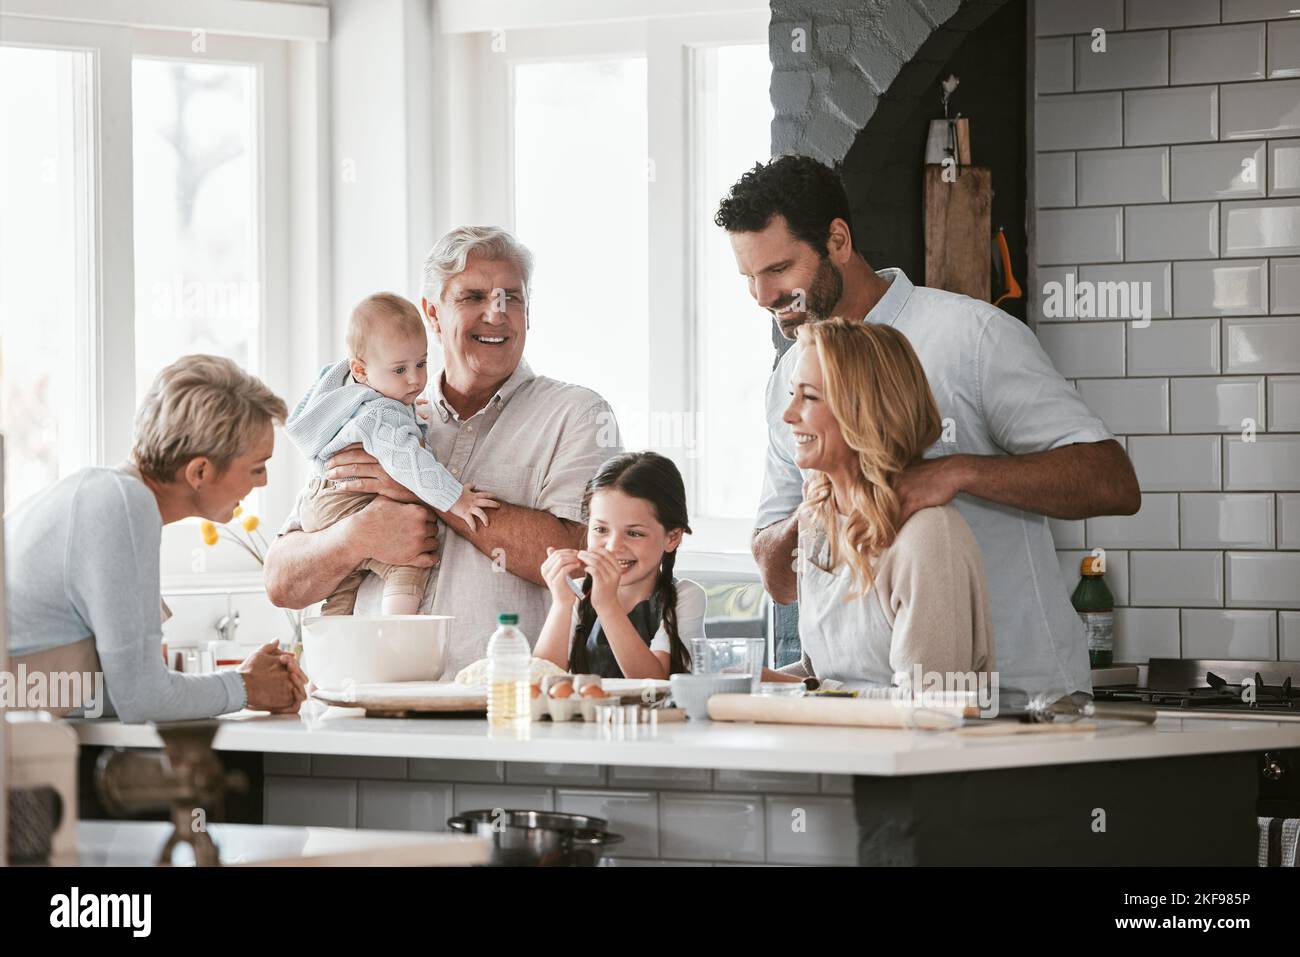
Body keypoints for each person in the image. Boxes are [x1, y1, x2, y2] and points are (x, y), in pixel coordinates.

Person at [715, 155, 1140, 697]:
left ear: (838, 241)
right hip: (875, 712)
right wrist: (831, 496)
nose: (762, 297)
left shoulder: (973, 337)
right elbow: (779, 581)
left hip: (1025, 700)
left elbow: (1113, 482)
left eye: (778, 270)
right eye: (749, 277)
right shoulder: (788, 382)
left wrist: (956, 473)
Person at [264, 227, 621, 675]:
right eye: (473, 297)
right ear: (431, 314)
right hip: (369, 703)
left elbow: (581, 560)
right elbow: (280, 580)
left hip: (506, 709)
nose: (497, 313)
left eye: (512, 297)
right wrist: (358, 535)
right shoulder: (373, 414)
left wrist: (421, 489)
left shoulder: (578, 415)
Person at [5, 355, 308, 722]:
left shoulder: (102, 495)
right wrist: (244, 687)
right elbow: (142, 700)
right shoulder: (124, 504)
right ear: (199, 470)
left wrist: (239, 683)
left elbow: (105, 695)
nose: (263, 482)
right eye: (258, 467)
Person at [777, 319, 993, 691]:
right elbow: (821, 677)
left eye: (809, 397)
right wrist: (743, 685)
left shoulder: (928, 536)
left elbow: (932, 707)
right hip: (839, 747)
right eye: (792, 394)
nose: (788, 414)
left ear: (862, 410)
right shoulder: (817, 516)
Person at [284, 292, 498, 615]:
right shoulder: (382, 413)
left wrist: (411, 412)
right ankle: (397, 624)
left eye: (421, 364)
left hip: (321, 504)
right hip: (346, 503)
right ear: (360, 370)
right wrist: (458, 499)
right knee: (411, 561)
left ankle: (334, 630)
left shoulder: (355, 402)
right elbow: (409, 462)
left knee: (345, 583)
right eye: (399, 370)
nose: (415, 379)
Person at [534, 452, 705, 679]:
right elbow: (542, 677)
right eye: (601, 530)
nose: (613, 547)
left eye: (634, 533)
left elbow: (654, 683)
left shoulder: (685, 597)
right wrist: (561, 604)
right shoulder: (576, 594)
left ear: (672, 538)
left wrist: (607, 606)